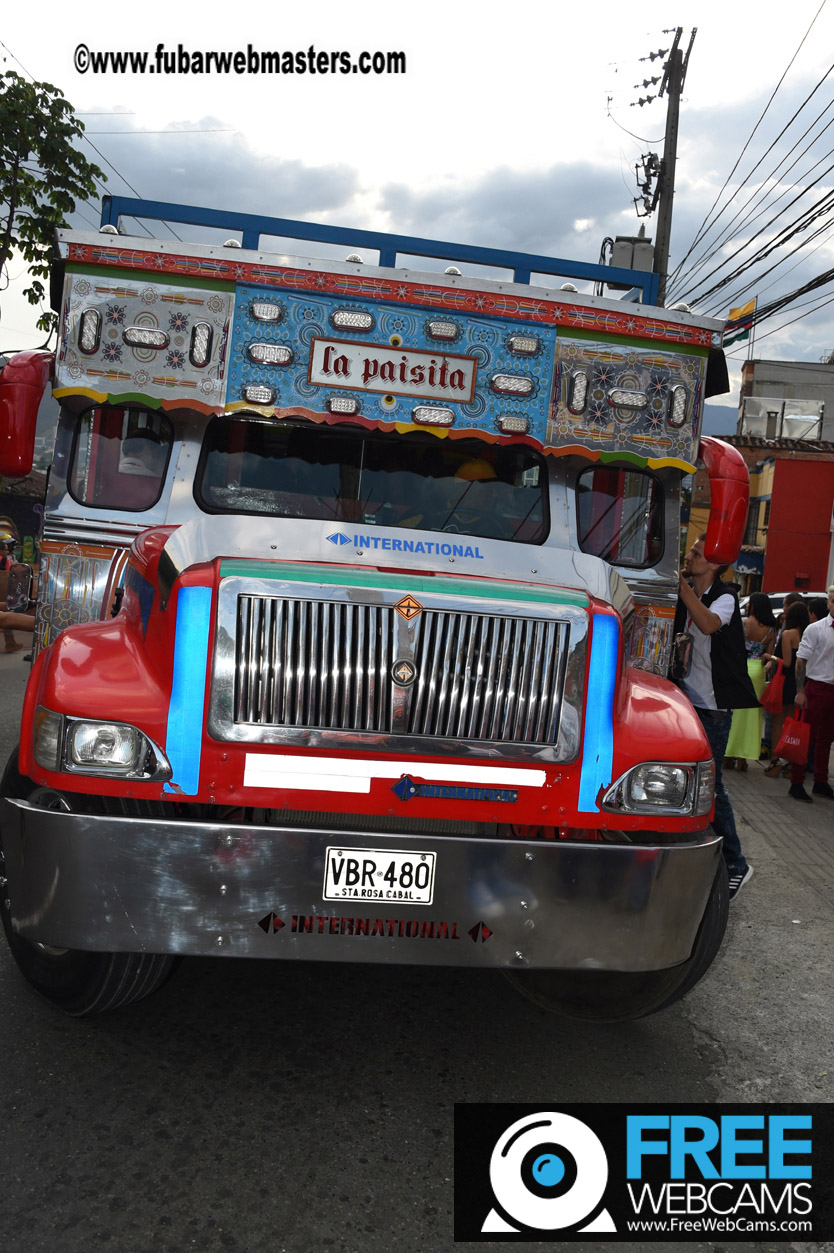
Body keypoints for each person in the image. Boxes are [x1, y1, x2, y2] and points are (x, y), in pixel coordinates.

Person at [674, 537, 759, 901]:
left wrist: (681, 588)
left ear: (713, 564)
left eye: (696, 553)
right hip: (685, 701)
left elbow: (708, 624)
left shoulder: (725, 596)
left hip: (712, 706)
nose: (689, 556)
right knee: (689, 783)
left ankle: (736, 863)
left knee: (713, 784)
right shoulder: (687, 593)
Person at [786, 585, 834, 803]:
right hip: (816, 687)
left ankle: (821, 782)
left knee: (826, 739)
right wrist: (800, 691)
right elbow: (800, 660)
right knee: (807, 737)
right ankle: (796, 783)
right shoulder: (815, 629)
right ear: (829, 604)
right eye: (833, 601)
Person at [725, 592, 776, 771]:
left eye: (749, 604)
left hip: (742, 668)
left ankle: (729, 755)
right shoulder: (771, 629)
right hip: (758, 670)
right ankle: (743, 759)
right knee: (753, 716)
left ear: (754, 606)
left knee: (736, 714)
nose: (747, 607)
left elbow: (735, 647)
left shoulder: (744, 624)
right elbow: (769, 654)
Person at [762, 600, 810, 780]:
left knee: (777, 723)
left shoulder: (788, 634)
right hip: (800, 683)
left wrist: (770, 656)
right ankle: (790, 763)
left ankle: (775, 761)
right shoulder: (806, 633)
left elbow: (787, 662)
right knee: (792, 723)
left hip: (786, 683)